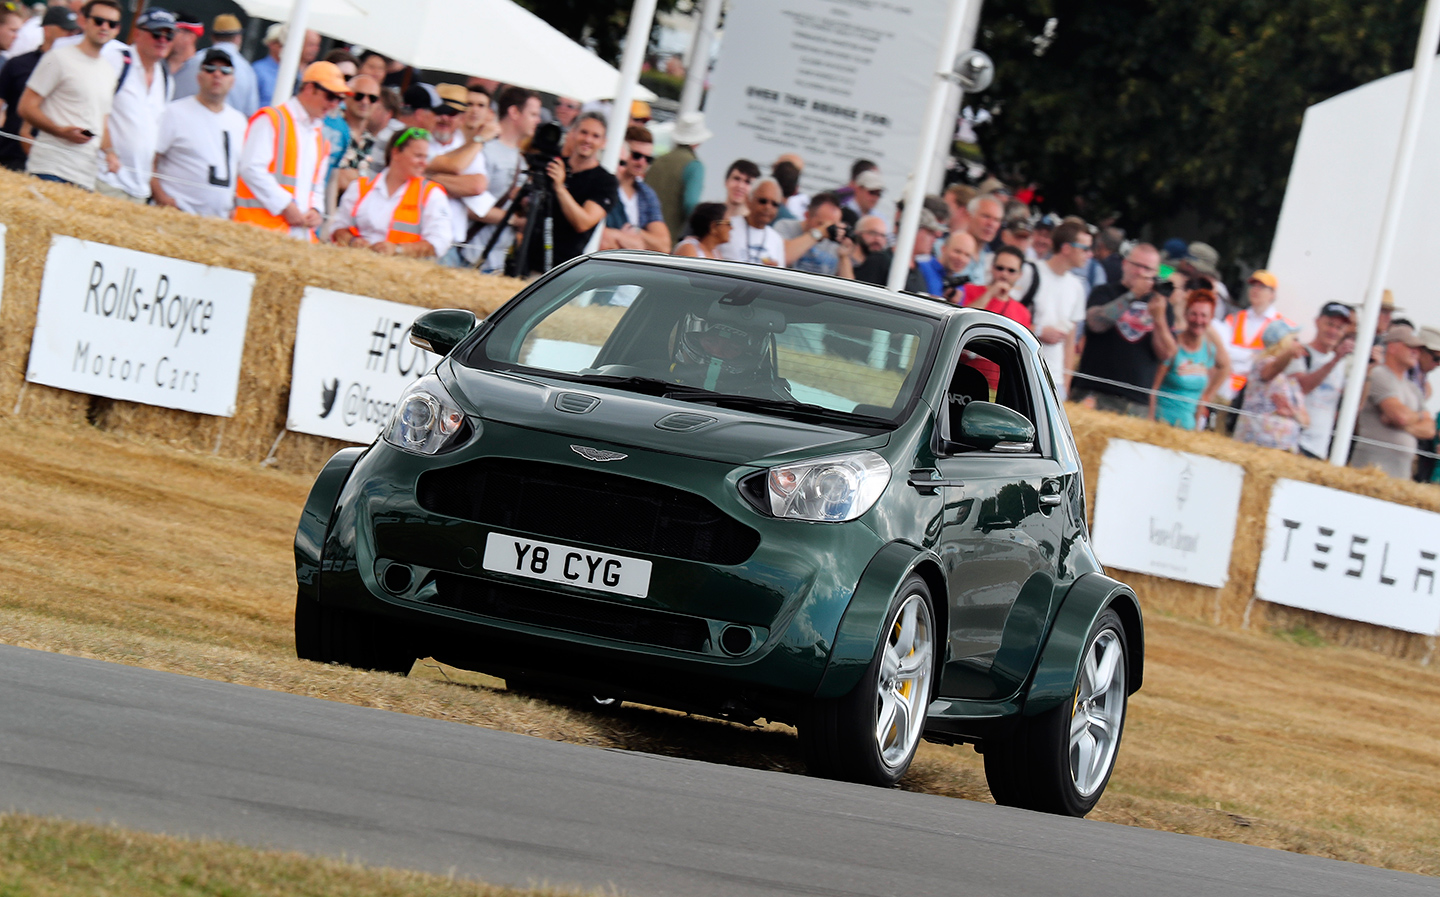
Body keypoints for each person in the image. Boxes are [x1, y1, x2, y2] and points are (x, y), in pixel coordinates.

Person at [234, 61, 346, 240]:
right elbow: (251, 168)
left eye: (340, 99)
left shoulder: (320, 136)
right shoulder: (271, 120)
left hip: (296, 236)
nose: (335, 104)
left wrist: (316, 210)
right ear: (309, 88)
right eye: (331, 97)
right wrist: (285, 205)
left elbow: (316, 186)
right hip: (258, 232)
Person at [18, 0, 120, 188]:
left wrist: (110, 153)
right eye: (99, 21)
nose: (105, 27)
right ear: (84, 21)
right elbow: (26, 107)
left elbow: (102, 124)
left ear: (117, 30)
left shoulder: (109, 72)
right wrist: (60, 131)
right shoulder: (57, 58)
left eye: (112, 23)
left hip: (85, 176)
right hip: (50, 169)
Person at [1072, 243, 1177, 416]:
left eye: (1148, 269)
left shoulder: (1161, 304)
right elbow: (1095, 324)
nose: (1141, 272)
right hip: (1094, 390)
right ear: (1125, 264)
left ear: (1155, 273)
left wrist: (1159, 318)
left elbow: (1167, 354)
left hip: (1135, 400)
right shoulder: (1104, 292)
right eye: (1137, 265)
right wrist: (1133, 295)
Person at [326, 126, 450, 259]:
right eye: (418, 156)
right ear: (396, 153)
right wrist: (353, 241)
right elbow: (337, 228)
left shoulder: (431, 194)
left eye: (426, 157)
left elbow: (440, 242)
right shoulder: (359, 187)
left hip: (403, 271)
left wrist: (398, 250)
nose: (423, 163)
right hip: (357, 264)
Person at [150, 48, 246, 217]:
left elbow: (240, 170)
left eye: (225, 71)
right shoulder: (175, 112)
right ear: (199, 76)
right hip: (176, 214)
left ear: (232, 81)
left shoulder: (239, 121)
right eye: (210, 69)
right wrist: (162, 199)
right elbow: (150, 159)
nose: (217, 75)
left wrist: (235, 205)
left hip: (218, 221)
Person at [1254, 302, 1355, 460]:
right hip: (1297, 443)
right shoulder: (1300, 354)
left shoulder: (1342, 364)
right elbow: (1302, 387)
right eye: (1330, 324)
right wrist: (1335, 360)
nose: (1333, 331)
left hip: (1320, 447)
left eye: (1339, 327)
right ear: (1317, 322)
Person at [94, 6, 173, 202]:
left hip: (139, 188)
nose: (162, 40)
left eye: (169, 35)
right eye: (156, 34)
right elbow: (95, 111)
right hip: (107, 178)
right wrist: (109, 151)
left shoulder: (166, 78)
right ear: (138, 33)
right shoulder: (118, 60)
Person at [527, 110, 616, 270]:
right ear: (572, 134)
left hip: (560, 270)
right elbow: (525, 207)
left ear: (604, 142)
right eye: (583, 132)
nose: (588, 139)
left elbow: (583, 222)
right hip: (526, 258)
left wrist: (560, 188)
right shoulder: (554, 165)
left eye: (595, 136)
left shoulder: (605, 181)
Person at [467, 85, 539, 272]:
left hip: (497, 262)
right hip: (469, 255)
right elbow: (470, 207)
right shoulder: (486, 150)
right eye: (533, 114)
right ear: (514, 112)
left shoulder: (521, 161)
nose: (537, 121)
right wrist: (514, 220)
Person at [1349, 324, 1435, 477]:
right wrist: (1419, 416)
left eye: (1418, 349)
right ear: (1393, 347)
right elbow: (1400, 416)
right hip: (1371, 469)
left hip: (1398, 474)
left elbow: (1430, 429)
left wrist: (1408, 424)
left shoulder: (1412, 387)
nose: (1416, 352)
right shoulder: (1380, 374)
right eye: (1410, 347)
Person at [0, 5, 77, 172]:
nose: (71, 36)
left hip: (54, 162)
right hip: (12, 156)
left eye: (74, 32)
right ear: (48, 30)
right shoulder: (18, 64)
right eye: (66, 30)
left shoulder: (77, 73)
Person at [424, 87, 494, 267]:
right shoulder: (419, 141)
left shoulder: (467, 147)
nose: (445, 118)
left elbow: (476, 186)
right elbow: (455, 167)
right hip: (417, 239)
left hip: (450, 244)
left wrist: (428, 178)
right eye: (441, 112)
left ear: (461, 117)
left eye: (452, 113)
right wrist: (480, 140)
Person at [1029, 220, 1092, 396]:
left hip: (1054, 379)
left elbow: (1070, 342)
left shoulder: (1077, 287)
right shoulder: (1031, 271)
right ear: (1066, 248)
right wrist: (1039, 330)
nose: (1089, 254)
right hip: (1024, 367)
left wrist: (1065, 384)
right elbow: (1008, 318)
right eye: (1085, 249)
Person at [1151, 290, 1223, 430]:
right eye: (1194, 314)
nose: (1198, 320)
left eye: (1204, 315)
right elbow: (1154, 389)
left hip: (1187, 428)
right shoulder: (1173, 344)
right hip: (1161, 425)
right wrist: (1149, 423)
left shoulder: (1209, 349)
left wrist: (1195, 431)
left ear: (1211, 318)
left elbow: (1201, 398)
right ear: (1185, 314)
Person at [1234, 321, 1310, 452]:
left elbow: (1306, 421)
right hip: (1255, 445)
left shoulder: (1292, 381)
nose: (1299, 344)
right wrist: (1290, 353)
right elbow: (1272, 370)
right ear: (1283, 342)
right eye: (1295, 339)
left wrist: (1293, 413)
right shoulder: (1262, 363)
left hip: (1283, 450)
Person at [1218, 270, 1290, 407]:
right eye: (1253, 285)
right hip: (1224, 388)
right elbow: (1221, 351)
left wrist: (1235, 355)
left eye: (1262, 287)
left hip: (1255, 393)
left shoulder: (1282, 327)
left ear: (1272, 294)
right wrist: (1253, 356)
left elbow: (1274, 362)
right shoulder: (1233, 319)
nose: (1255, 290)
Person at [600, 125, 670, 253]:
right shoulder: (605, 184)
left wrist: (635, 231)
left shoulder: (647, 194)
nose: (641, 162)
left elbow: (664, 245)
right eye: (636, 155)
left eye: (648, 159)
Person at [171, 14, 256, 117]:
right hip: (228, 128)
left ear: (213, 37)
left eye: (225, 71)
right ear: (238, 38)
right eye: (210, 69)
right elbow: (250, 112)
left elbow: (175, 94)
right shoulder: (248, 71)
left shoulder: (194, 61)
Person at [325, 72, 381, 209]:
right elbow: (333, 176)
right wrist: (362, 183)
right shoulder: (332, 129)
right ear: (346, 97)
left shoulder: (373, 142)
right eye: (359, 96)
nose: (365, 102)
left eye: (372, 98)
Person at [774, 192, 854, 278]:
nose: (828, 230)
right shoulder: (786, 227)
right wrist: (819, 233)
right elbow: (783, 257)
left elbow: (849, 285)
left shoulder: (835, 242)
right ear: (807, 215)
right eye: (821, 224)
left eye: (833, 226)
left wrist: (844, 256)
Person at [958, 247, 1033, 330]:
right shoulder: (967, 289)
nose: (1004, 274)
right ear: (992, 268)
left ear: (1020, 274)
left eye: (1011, 270)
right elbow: (962, 320)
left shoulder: (1022, 312)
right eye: (1000, 268)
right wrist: (989, 294)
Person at [719, 177, 784, 266]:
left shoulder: (776, 239)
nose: (768, 207)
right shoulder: (727, 226)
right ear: (748, 200)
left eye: (774, 204)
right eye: (763, 201)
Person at [958, 194, 1004, 282]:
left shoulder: (990, 260)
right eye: (986, 216)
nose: (991, 224)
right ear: (969, 216)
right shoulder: (945, 247)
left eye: (996, 220)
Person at [252, 22, 284, 106]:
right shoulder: (258, 69)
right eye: (282, 44)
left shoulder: (295, 73)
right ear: (271, 44)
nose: (286, 47)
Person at [167, 11, 200, 76]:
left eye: (171, 31)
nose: (164, 36)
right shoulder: (155, 65)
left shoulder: (202, 70)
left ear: (190, 37)